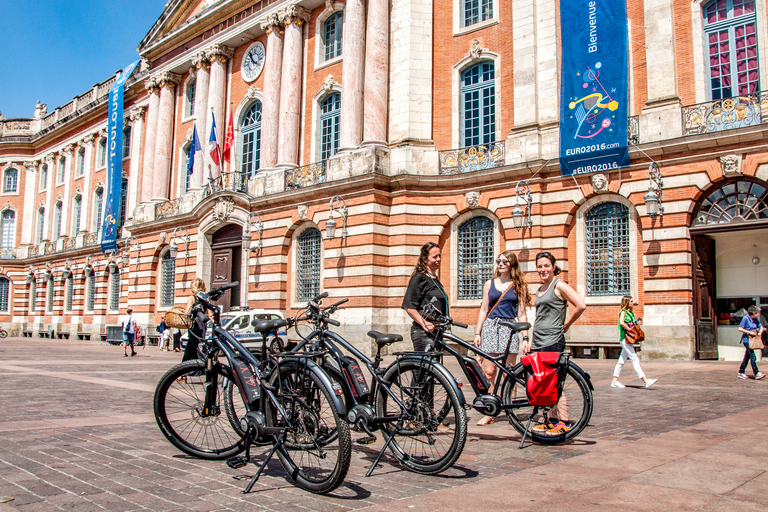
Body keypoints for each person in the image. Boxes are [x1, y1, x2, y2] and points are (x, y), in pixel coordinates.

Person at [520, 252, 586, 436]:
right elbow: (539, 318)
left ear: (554, 266)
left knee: (556, 382)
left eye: (546, 266)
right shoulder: (540, 289)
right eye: (540, 266)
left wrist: (566, 325)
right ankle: (551, 420)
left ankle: (563, 422)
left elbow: (580, 305)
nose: (543, 270)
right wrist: (531, 340)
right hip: (539, 340)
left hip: (553, 340)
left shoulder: (559, 285)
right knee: (543, 383)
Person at [473, 250, 530, 426]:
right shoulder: (489, 284)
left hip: (509, 328)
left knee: (509, 373)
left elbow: (521, 313)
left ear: (512, 264)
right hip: (490, 326)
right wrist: (477, 332)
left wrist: (526, 337)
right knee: (489, 372)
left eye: (505, 261)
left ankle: (509, 410)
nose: (501, 264)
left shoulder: (518, 285)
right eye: (499, 261)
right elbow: (483, 309)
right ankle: (490, 411)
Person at [402, 242, 448, 352]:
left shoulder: (435, 280)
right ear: (425, 259)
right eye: (434, 256)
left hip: (436, 332)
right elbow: (409, 307)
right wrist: (425, 323)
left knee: (434, 368)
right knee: (424, 368)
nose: (438, 259)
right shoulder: (419, 278)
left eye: (439, 255)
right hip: (424, 334)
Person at [611, 296, 658, 389]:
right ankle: (645, 380)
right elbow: (621, 322)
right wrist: (629, 330)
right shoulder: (623, 312)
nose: (633, 303)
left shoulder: (631, 313)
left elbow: (632, 324)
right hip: (625, 338)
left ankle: (614, 381)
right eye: (631, 301)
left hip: (628, 339)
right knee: (634, 358)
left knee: (621, 361)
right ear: (627, 303)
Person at [183, 277, 210, 363]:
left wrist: (183, 312)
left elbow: (188, 311)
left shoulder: (192, 297)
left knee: (191, 345)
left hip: (195, 323)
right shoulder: (204, 298)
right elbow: (210, 314)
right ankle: (202, 365)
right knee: (201, 344)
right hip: (203, 323)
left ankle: (185, 370)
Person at [738, 305, 765, 380]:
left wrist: (759, 333)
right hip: (747, 340)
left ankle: (741, 371)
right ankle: (757, 373)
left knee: (747, 357)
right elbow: (740, 328)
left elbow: (761, 327)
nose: (759, 314)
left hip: (753, 340)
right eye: (758, 313)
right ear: (754, 313)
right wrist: (749, 332)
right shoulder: (745, 318)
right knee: (753, 357)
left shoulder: (755, 319)